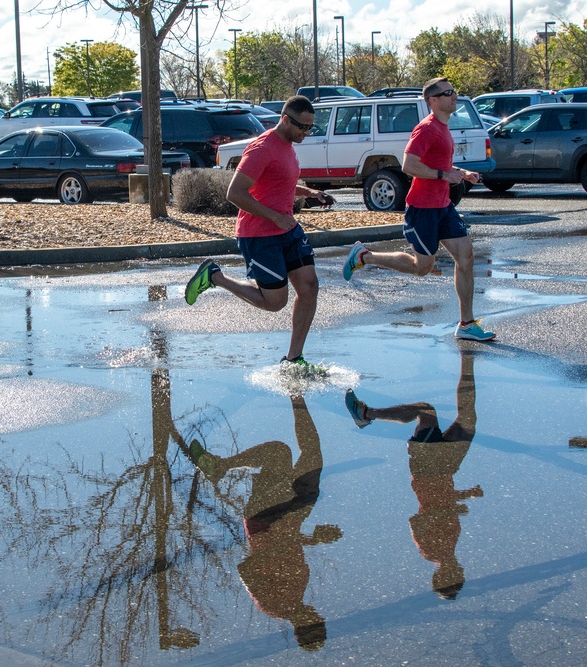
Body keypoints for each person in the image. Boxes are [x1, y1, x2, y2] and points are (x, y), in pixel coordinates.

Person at [184, 95, 335, 373]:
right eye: (302, 127)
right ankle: (214, 276)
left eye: (310, 128)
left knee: (309, 287)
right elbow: (235, 193)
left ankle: (293, 359)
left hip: (286, 228)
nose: (306, 133)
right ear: (286, 119)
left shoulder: (289, 146)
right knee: (275, 302)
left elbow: (280, 182)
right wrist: (275, 217)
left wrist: (310, 192)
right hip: (259, 234)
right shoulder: (262, 148)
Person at [341, 78, 496, 342]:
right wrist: (444, 175)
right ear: (432, 100)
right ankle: (364, 256)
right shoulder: (426, 129)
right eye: (447, 93)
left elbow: (441, 167)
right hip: (422, 208)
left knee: (466, 257)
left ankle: (467, 324)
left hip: (443, 206)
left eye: (454, 91)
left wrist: (461, 173)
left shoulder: (444, 128)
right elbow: (408, 165)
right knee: (423, 267)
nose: (453, 96)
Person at [184, 395, 339, 651]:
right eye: (319, 618)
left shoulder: (273, 605)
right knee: (311, 453)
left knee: (279, 453)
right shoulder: (299, 593)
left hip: (266, 518)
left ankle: (221, 467)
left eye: (314, 621)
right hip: (292, 514)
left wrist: (285, 535)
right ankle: (296, 397)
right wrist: (312, 538)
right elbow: (289, 549)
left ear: (303, 626)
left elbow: (247, 569)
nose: (315, 614)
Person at [344, 348, 483, 598]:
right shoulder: (450, 546)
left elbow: (417, 520)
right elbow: (441, 505)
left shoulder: (430, 551)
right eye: (458, 574)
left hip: (428, 470)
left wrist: (451, 506)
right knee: (468, 417)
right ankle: (468, 363)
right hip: (444, 470)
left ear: (441, 575)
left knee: (426, 411)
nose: (456, 570)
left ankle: (366, 414)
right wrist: (460, 498)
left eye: (450, 576)